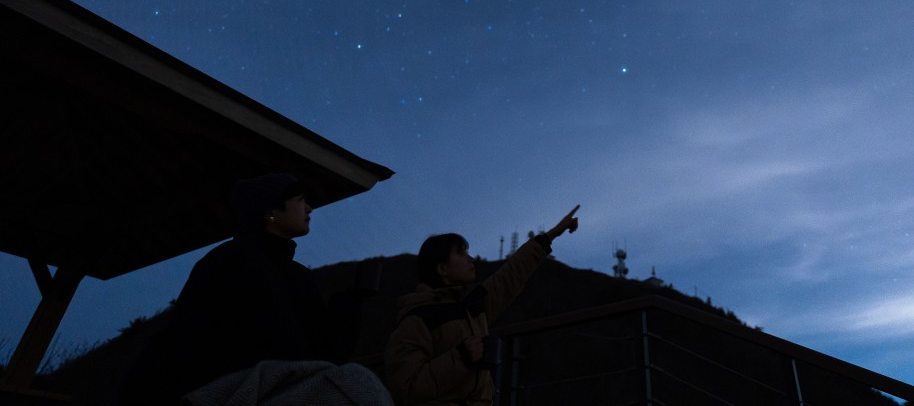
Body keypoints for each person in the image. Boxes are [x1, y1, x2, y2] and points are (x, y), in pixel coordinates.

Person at [121, 173, 392, 405]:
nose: (309, 208)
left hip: (280, 382)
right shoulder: (231, 261)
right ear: (271, 211)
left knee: (357, 381)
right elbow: (200, 338)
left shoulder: (297, 276)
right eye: (300, 200)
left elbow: (324, 352)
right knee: (357, 387)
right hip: (227, 387)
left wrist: (350, 304)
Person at [384, 205, 581, 405]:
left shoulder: (471, 306)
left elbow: (512, 274)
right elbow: (404, 388)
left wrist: (552, 234)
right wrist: (461, 357)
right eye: (461, 253)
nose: (471, 258)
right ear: (442, 268)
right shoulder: (416, 320)